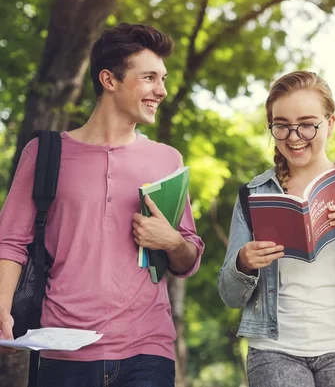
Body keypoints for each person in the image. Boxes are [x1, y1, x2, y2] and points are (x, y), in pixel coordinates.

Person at [0, 23, 204, 387]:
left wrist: (172, 241)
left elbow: (188, 259)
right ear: (109, 80)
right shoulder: (46, 154)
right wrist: (1, 307)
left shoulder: (167, 160)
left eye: (163, 79)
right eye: (149, 78)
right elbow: (11, 241)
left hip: (148, 349)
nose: (162, 90)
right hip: (61, 350)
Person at [217, 70, 335, 387]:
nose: (294, 137)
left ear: (330, 123)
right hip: (275, 350)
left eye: (307, 125)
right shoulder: (253, 195)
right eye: (281, 126)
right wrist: (243, 262)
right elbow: (229, 295)